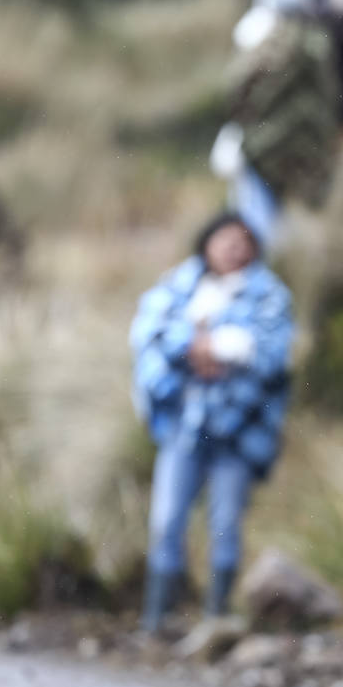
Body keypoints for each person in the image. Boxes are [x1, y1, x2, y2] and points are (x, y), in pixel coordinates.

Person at [130, 213, 294, 633]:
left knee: (225, 522)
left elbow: (271, 357)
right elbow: (149, 336)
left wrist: (216, 348)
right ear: (206, 243)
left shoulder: (270, 294)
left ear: (254, 249)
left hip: (237, 433)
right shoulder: (177, 285)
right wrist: (200, 347)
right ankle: (158, 618)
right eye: (224, 240)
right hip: (183, 426)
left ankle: (215, 619)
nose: (232, 249)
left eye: (242, 242)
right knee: (166, 519)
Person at [209, 0, 343, 246]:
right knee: (260, 228)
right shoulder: (271, 24)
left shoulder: (320, 24)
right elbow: (239, 88)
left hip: (299, 144)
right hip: (269, 144)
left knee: (282, 231)